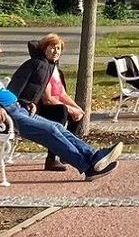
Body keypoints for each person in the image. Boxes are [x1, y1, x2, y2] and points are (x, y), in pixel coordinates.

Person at [0, 33, 123, 180]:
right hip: (6, 117)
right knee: (50, 132)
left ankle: (94, 156)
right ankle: (88, 167)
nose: (1, 50)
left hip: (17, 109)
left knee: (56, 126)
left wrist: (25, 103)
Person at [7, 34, 84, 172]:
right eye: (52, 48)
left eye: (58, 48)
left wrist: (77, 108)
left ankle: (67, 152)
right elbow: (47, 98)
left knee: (77, 113)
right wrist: (69, 109)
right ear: (44, 49)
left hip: (51, 105)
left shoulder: (55, 69)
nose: (56, 51)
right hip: (37, 108)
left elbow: (62, 94)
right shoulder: (41, 67)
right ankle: (51, 158)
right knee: (62, 111)